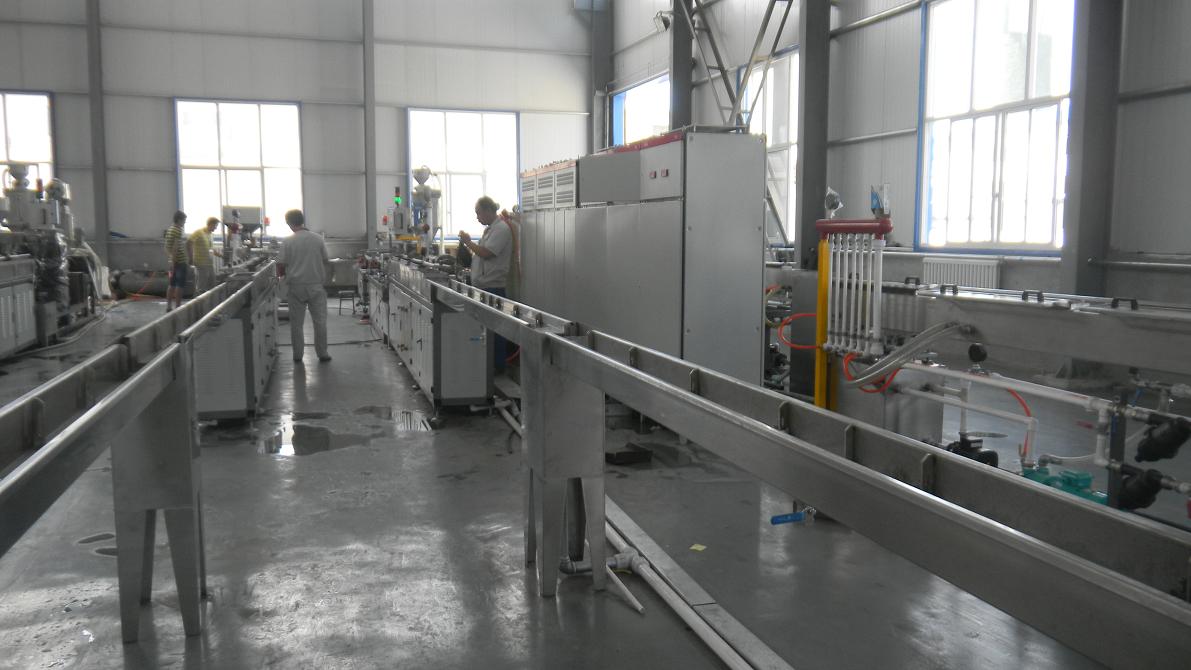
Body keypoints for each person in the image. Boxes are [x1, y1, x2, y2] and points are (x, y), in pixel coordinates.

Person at [458, 196, 514, 371]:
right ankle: (488, 366)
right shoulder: (490, 230)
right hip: (484, 287)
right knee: (486, 330)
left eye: (479, 213)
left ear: (489, 210)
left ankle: (496, 367)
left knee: (495, 330)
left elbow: (486, 253)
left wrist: (468, 242)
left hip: (493, 288)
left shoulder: (501, 229)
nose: (477, 217)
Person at [277, 209, 332, 364]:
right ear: (302, 220)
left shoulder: (288, 241)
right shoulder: (317, 239)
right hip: (315, 285)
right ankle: (322, 353)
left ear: (289, 223)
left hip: (296, 287)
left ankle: (298, 355)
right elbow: (326, 261)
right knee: (320, 322)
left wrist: (283, 278)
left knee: (296, 324)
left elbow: (280, 266)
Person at [163, 210, 189, 311]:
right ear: (179, 220)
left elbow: (166, 247)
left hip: (173, 261)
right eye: (184, 220)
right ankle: (178, 307)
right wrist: (174, 262)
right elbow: (175, 248)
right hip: (180, 262)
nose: (184, 223)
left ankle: (169, 306)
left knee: (172, 284)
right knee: (179, 285)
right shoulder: (177, 230)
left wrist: (171, 260)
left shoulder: (170, 230)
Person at [189, 217, 222, 293]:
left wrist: (222, 256)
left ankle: (210, 299)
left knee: (212, 282)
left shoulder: (210, 235)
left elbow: (211, 249)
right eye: (215, 226)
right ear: (211, 224)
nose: (216, 228)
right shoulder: (199, 232)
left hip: (209, 263)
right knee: (202, 285)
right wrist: (191, 258)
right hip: (201, 263)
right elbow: (189, 242)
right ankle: (199, 299)